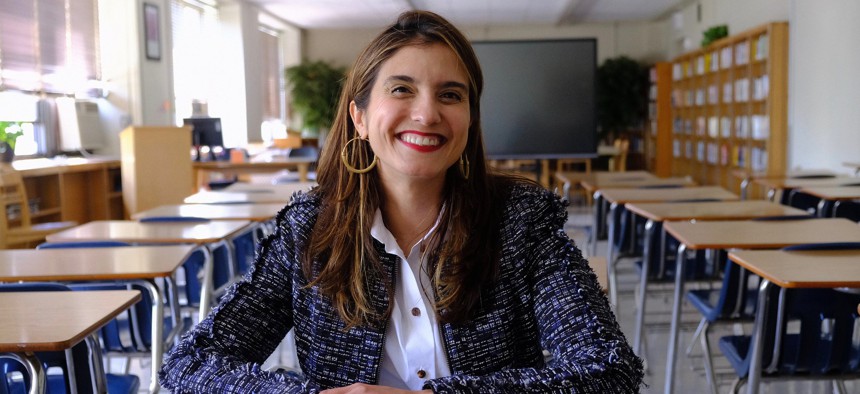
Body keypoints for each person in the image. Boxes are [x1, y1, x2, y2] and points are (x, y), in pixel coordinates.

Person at [159, 10, 643, 393]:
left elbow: (608, 370)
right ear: (360, 118)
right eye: (402, 89)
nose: (427, 113)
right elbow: (190, 366)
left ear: (470, 119)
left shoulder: (521, 223)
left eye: (450, 95)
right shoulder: (310, 231)